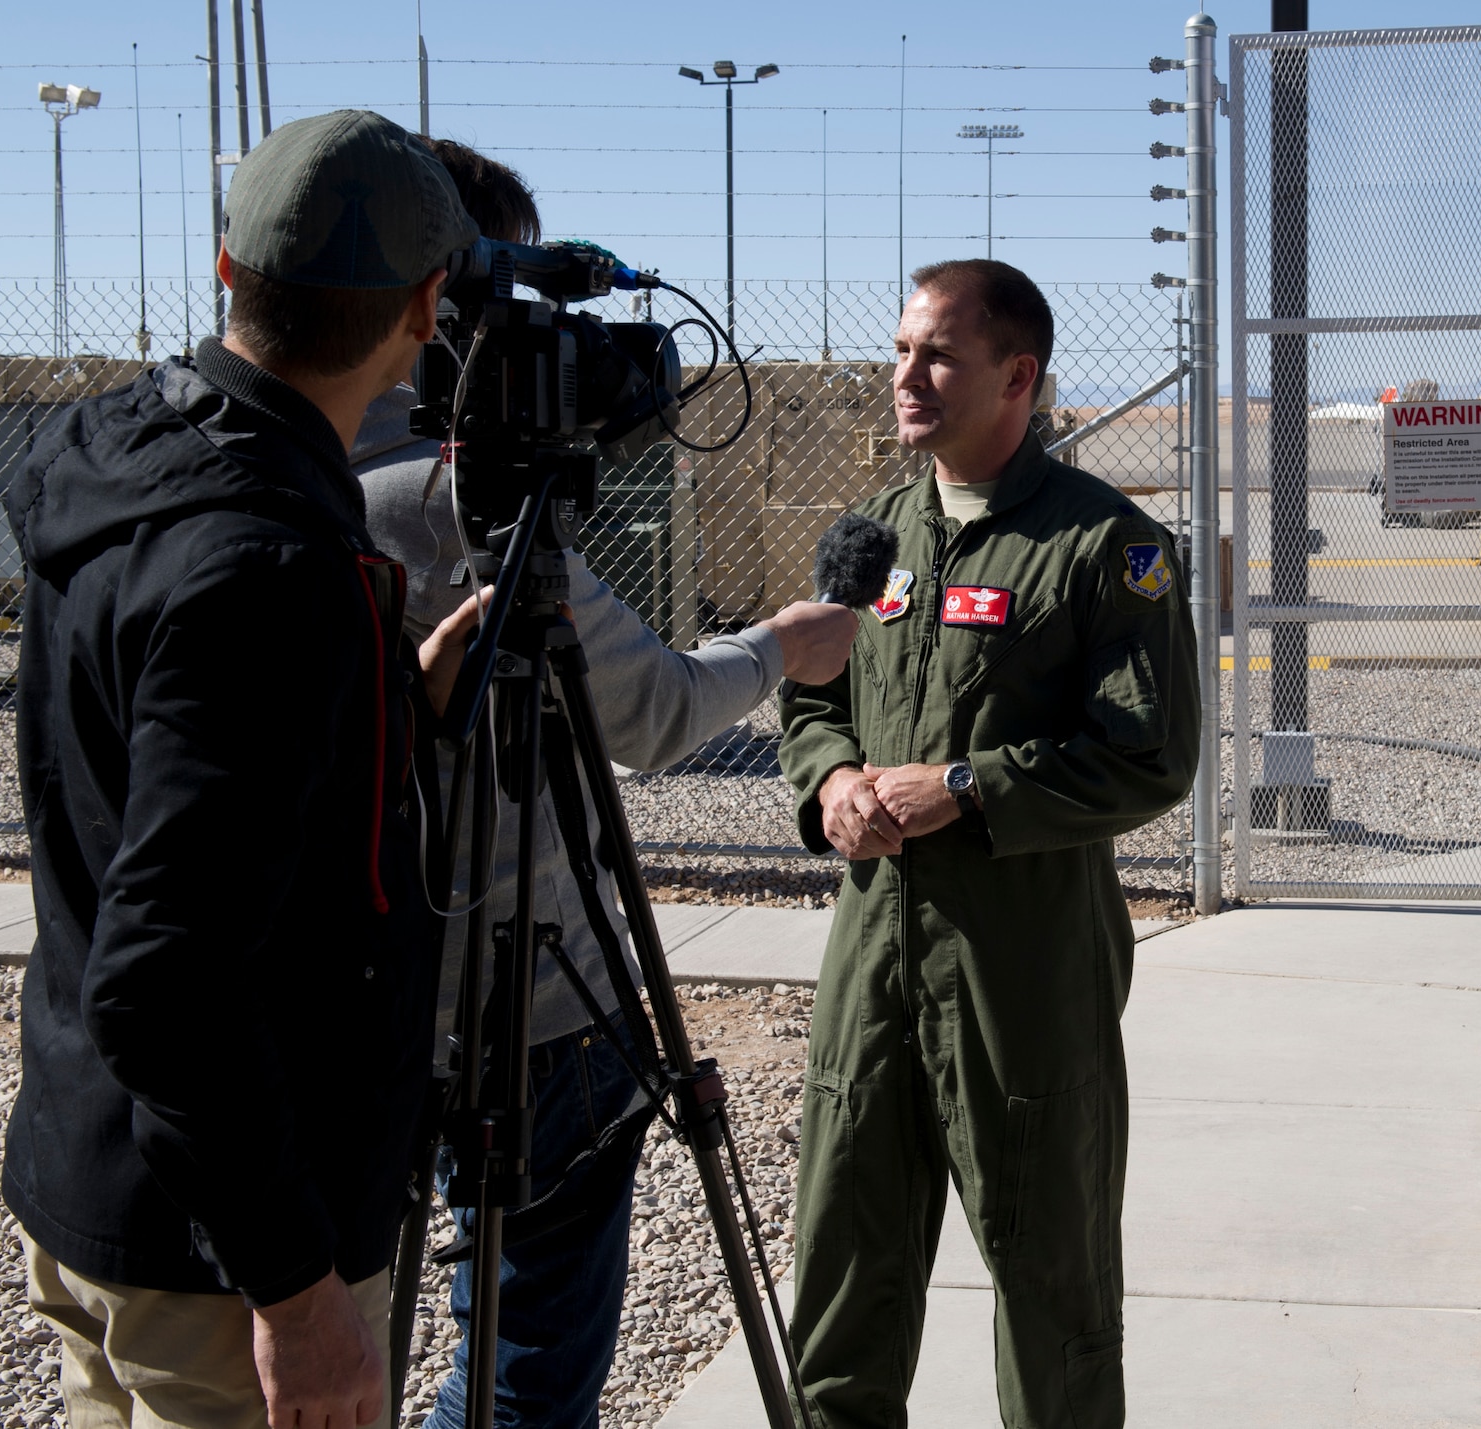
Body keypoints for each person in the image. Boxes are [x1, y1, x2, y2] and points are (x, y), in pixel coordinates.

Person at [352, 138, 860, 1428]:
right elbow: (653, 713)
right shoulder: (456, 504)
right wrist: (780, 649)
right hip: (536, 1003)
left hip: (352, 1003)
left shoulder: (281, 481)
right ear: (438, 302)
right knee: (527, 1353)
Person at [0, 110, 486, 1429]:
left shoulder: (128, 467)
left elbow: (139, 781)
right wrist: (297, 1295)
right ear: (427, 307)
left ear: (229, 274)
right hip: (215, 1262)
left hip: (97, 1172)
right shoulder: (268, 566)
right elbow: (170, 980)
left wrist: (393, 702)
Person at [777, 259, 1201, 1429]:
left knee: (1049, 1298)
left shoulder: (1102, 547)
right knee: (839, 1288)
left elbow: (1148, 752)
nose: (905, 375)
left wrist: (970, 785)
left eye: (937, 355)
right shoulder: (871, 542)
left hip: (1020, 976)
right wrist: (832, 782)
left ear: (1017, 377)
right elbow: (812, 696)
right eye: (902, 349)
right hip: (870, 966)